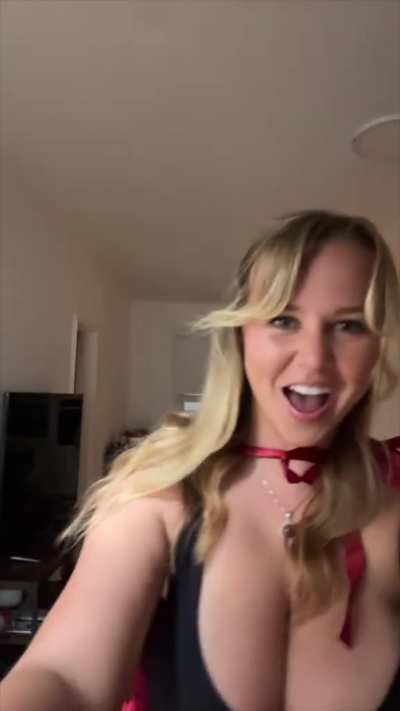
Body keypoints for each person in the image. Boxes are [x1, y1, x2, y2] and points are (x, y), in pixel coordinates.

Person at [1, 210, 400, 711]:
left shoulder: (392, 498)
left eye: (348, 325)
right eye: (283, 320)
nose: (314, 358)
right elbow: (66, 676)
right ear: (241, 334)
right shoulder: (161, 493)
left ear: (378, 345)